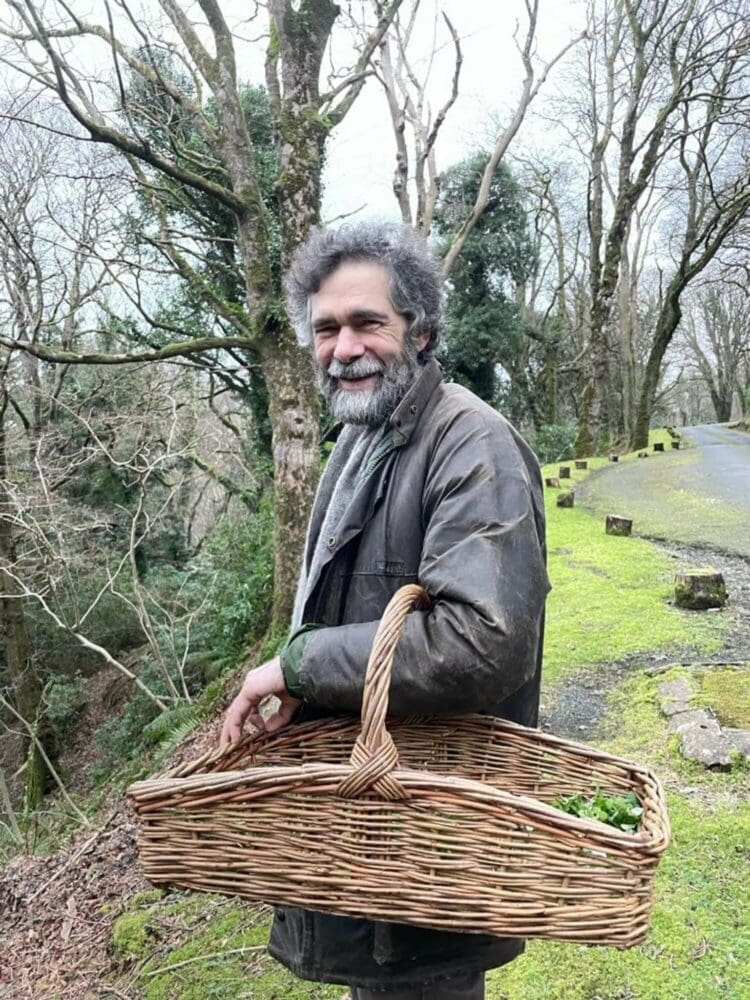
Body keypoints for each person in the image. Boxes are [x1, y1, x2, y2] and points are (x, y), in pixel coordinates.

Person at [220, 221, 550, 999]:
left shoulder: (473, 444)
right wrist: (304, 686)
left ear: (422, 329)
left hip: (432, 855)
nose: (344, 347)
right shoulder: (359, 438)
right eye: (327, 328)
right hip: (377, 845)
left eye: (369, 322)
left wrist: (299, 662)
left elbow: (482, 643)